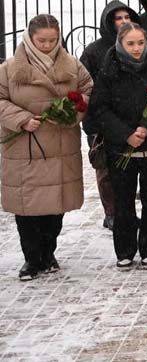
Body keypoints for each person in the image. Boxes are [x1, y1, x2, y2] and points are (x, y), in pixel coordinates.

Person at [0, 15, 93, 280]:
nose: (47, 45)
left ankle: (48, 251)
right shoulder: (9, 69)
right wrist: (21, 119)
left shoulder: (72, 65)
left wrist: (71, 112)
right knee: (27, 206)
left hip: (60, 144)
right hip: (24, 146)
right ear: (30, 38)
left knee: (55, 204)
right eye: (42, 41)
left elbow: (87, 89)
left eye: (53, 40)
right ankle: (32, 258)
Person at [87, 22, 147, 268]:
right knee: (123, 201)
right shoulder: (109, 69)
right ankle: (124, 250)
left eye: (140, 43)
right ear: (120, 44)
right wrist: (125, 134)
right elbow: (100, 109)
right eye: (130, 44)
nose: (136, 49)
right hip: (121, 148)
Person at [80, 0, 140, 230]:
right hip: (100, 119)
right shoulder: (94, 51)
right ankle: (111, 212)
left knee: (127, 171)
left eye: (127, 17)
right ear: (109, 21)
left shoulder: (136, 45)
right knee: (105, 170)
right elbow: (86, 86)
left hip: (127, 122)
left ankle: (127, 213)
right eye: (118, 18)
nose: (124, 21)